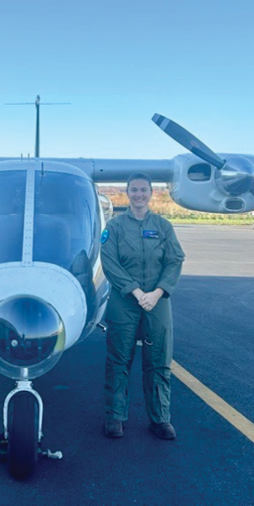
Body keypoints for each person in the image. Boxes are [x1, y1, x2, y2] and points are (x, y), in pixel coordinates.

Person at [101, 173, 185, 440]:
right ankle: (115, 416)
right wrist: (137, 292)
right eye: (134, 190)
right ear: (127, 193)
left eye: (143, 190)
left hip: (157, 302)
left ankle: (160, 418)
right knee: (119, 359)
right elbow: (109, 262)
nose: (138, 194)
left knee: (159, 361)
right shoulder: (114, 228)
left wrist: (158, 292)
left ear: (151, 194)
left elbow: (175, 259)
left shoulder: (163, 226)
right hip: (125, 301)